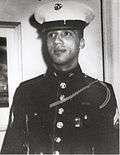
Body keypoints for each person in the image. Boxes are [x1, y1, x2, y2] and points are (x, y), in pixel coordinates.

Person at [1, 0, 119, 154]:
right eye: (51, 35)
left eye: (66, 33)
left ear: (81, 42)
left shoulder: (102, 93)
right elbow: (11, 149)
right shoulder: (27, 91)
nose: (57, 41)